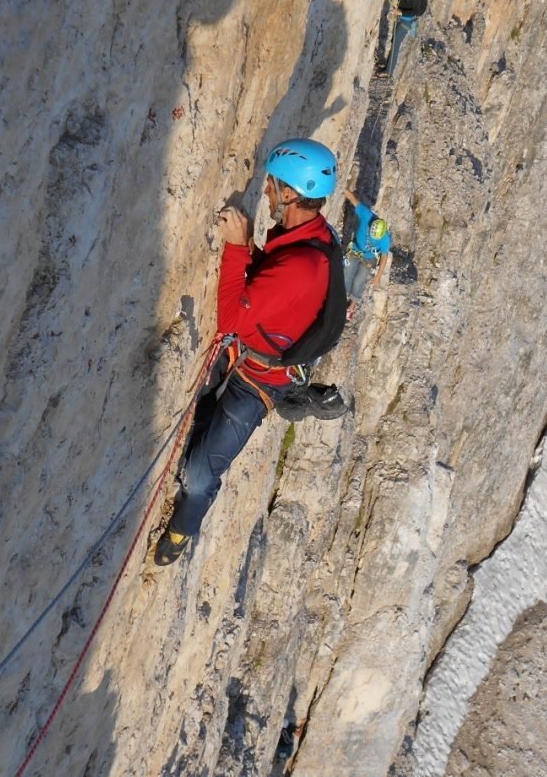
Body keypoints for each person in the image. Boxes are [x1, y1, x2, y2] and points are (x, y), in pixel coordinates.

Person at [154, 139, 339, 565]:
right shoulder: (309, 237)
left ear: (290, 193)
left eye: (272, 183)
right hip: (257, 358)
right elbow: (272, 286)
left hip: (258, 382)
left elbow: (232, 323)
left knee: (198, 476)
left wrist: (238, 245)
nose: (267, 189)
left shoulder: (302, 262)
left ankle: (182, 531)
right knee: (196, 426)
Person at [342, 179, 391, 319]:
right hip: (355, 249)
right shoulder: (367, 216)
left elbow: (384, 257)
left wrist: (378, 277)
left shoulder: (385, 238)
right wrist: (341, 188)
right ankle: (340, 300)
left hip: (368, 258)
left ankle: (351, 306)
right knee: (347, 273)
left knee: (359, 280)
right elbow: (353, 199)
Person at [378, 0, 428, 79]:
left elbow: (417, 12)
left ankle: (388, 72)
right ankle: (388, 66)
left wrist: (401, 13)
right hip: (401, 19)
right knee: (393, 41)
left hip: (407, 22)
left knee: (395, 44)